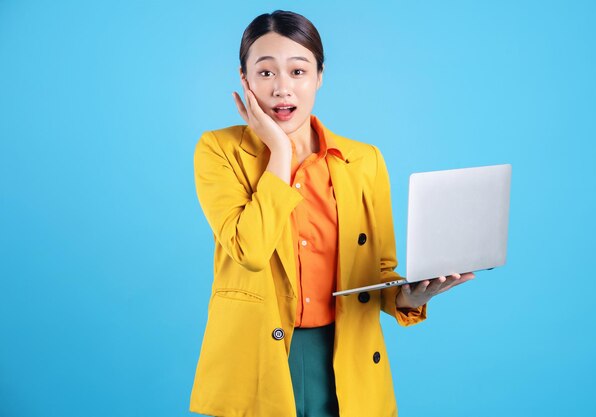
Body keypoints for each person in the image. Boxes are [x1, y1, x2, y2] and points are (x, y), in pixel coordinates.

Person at [189, 10, 475, 417]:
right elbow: (249, 249)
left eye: (298, 71)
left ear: (320, 76)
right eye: (266, 73)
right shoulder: (218, 151)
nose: (282, 88)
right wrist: (281, 152)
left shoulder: (364, 161)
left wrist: (409, 296)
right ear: (244, 80)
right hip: (257, 359)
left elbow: (377, 270)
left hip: (345, 356)